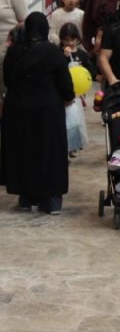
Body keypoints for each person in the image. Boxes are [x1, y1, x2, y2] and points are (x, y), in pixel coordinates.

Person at [0, 13, 76, 214]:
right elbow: (65, 83)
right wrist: (69, 97)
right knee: (49, 151)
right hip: (47, 110)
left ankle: (26, 197)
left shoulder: (14, 51)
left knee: (23, 150)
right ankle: (50, 200)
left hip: (17, 109)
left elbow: (7, 80)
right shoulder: (53, 52)